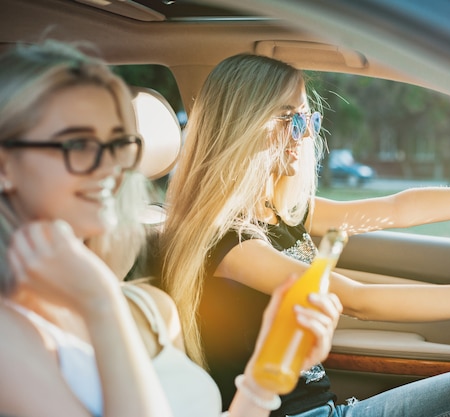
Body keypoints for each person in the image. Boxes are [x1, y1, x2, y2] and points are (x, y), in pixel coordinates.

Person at [157, 53, 450, 417]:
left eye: (308, 120)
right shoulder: (232, 246)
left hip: (326, 408)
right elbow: (358, 298)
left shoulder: (282, 214)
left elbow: (397, 209)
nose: (304, 135)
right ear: (243, 128)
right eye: (290, 120)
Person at [0, 41, 341, 417]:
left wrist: (264, 377)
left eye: (117, 143)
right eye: (78, 143)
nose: (109, 165)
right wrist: (102, 304)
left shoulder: (150, 308)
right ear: (4, 166)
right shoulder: (13, 336)